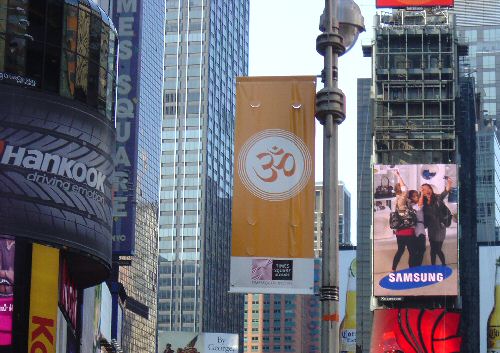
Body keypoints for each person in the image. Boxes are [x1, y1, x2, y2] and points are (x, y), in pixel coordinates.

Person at [421, 178, 452, 266]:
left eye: (427, 188)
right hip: (431, 228)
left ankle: (443, 265)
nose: (426, 190)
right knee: (432, 249)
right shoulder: (423, 202)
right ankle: (433, 266)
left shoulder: (438, 198)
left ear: (431, 189)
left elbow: (445, 191)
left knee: (437, 249)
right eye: (423, 189)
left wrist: (449, 182)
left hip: (440, 227)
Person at [391, 170, 417, 271]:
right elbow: (405, 189)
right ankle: (411, 270)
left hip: (400, 231)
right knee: (412, 251)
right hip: (407, 231)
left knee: (400, 250)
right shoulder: (401, 200)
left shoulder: (400, 201)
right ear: (400, 191)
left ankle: (393, 269)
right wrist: (398, 175)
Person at [409, 189, 426, 266]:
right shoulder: (413, 206)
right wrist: (422, 193)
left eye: (417, 195)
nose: (416, 197)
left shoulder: (416, 205)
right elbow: (419, 204)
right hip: (416, 230)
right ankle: (414, 269)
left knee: (421, 250)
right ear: (411, 198)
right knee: (417, 251)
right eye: (414, 196)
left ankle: (417, 268)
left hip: (420, 229)